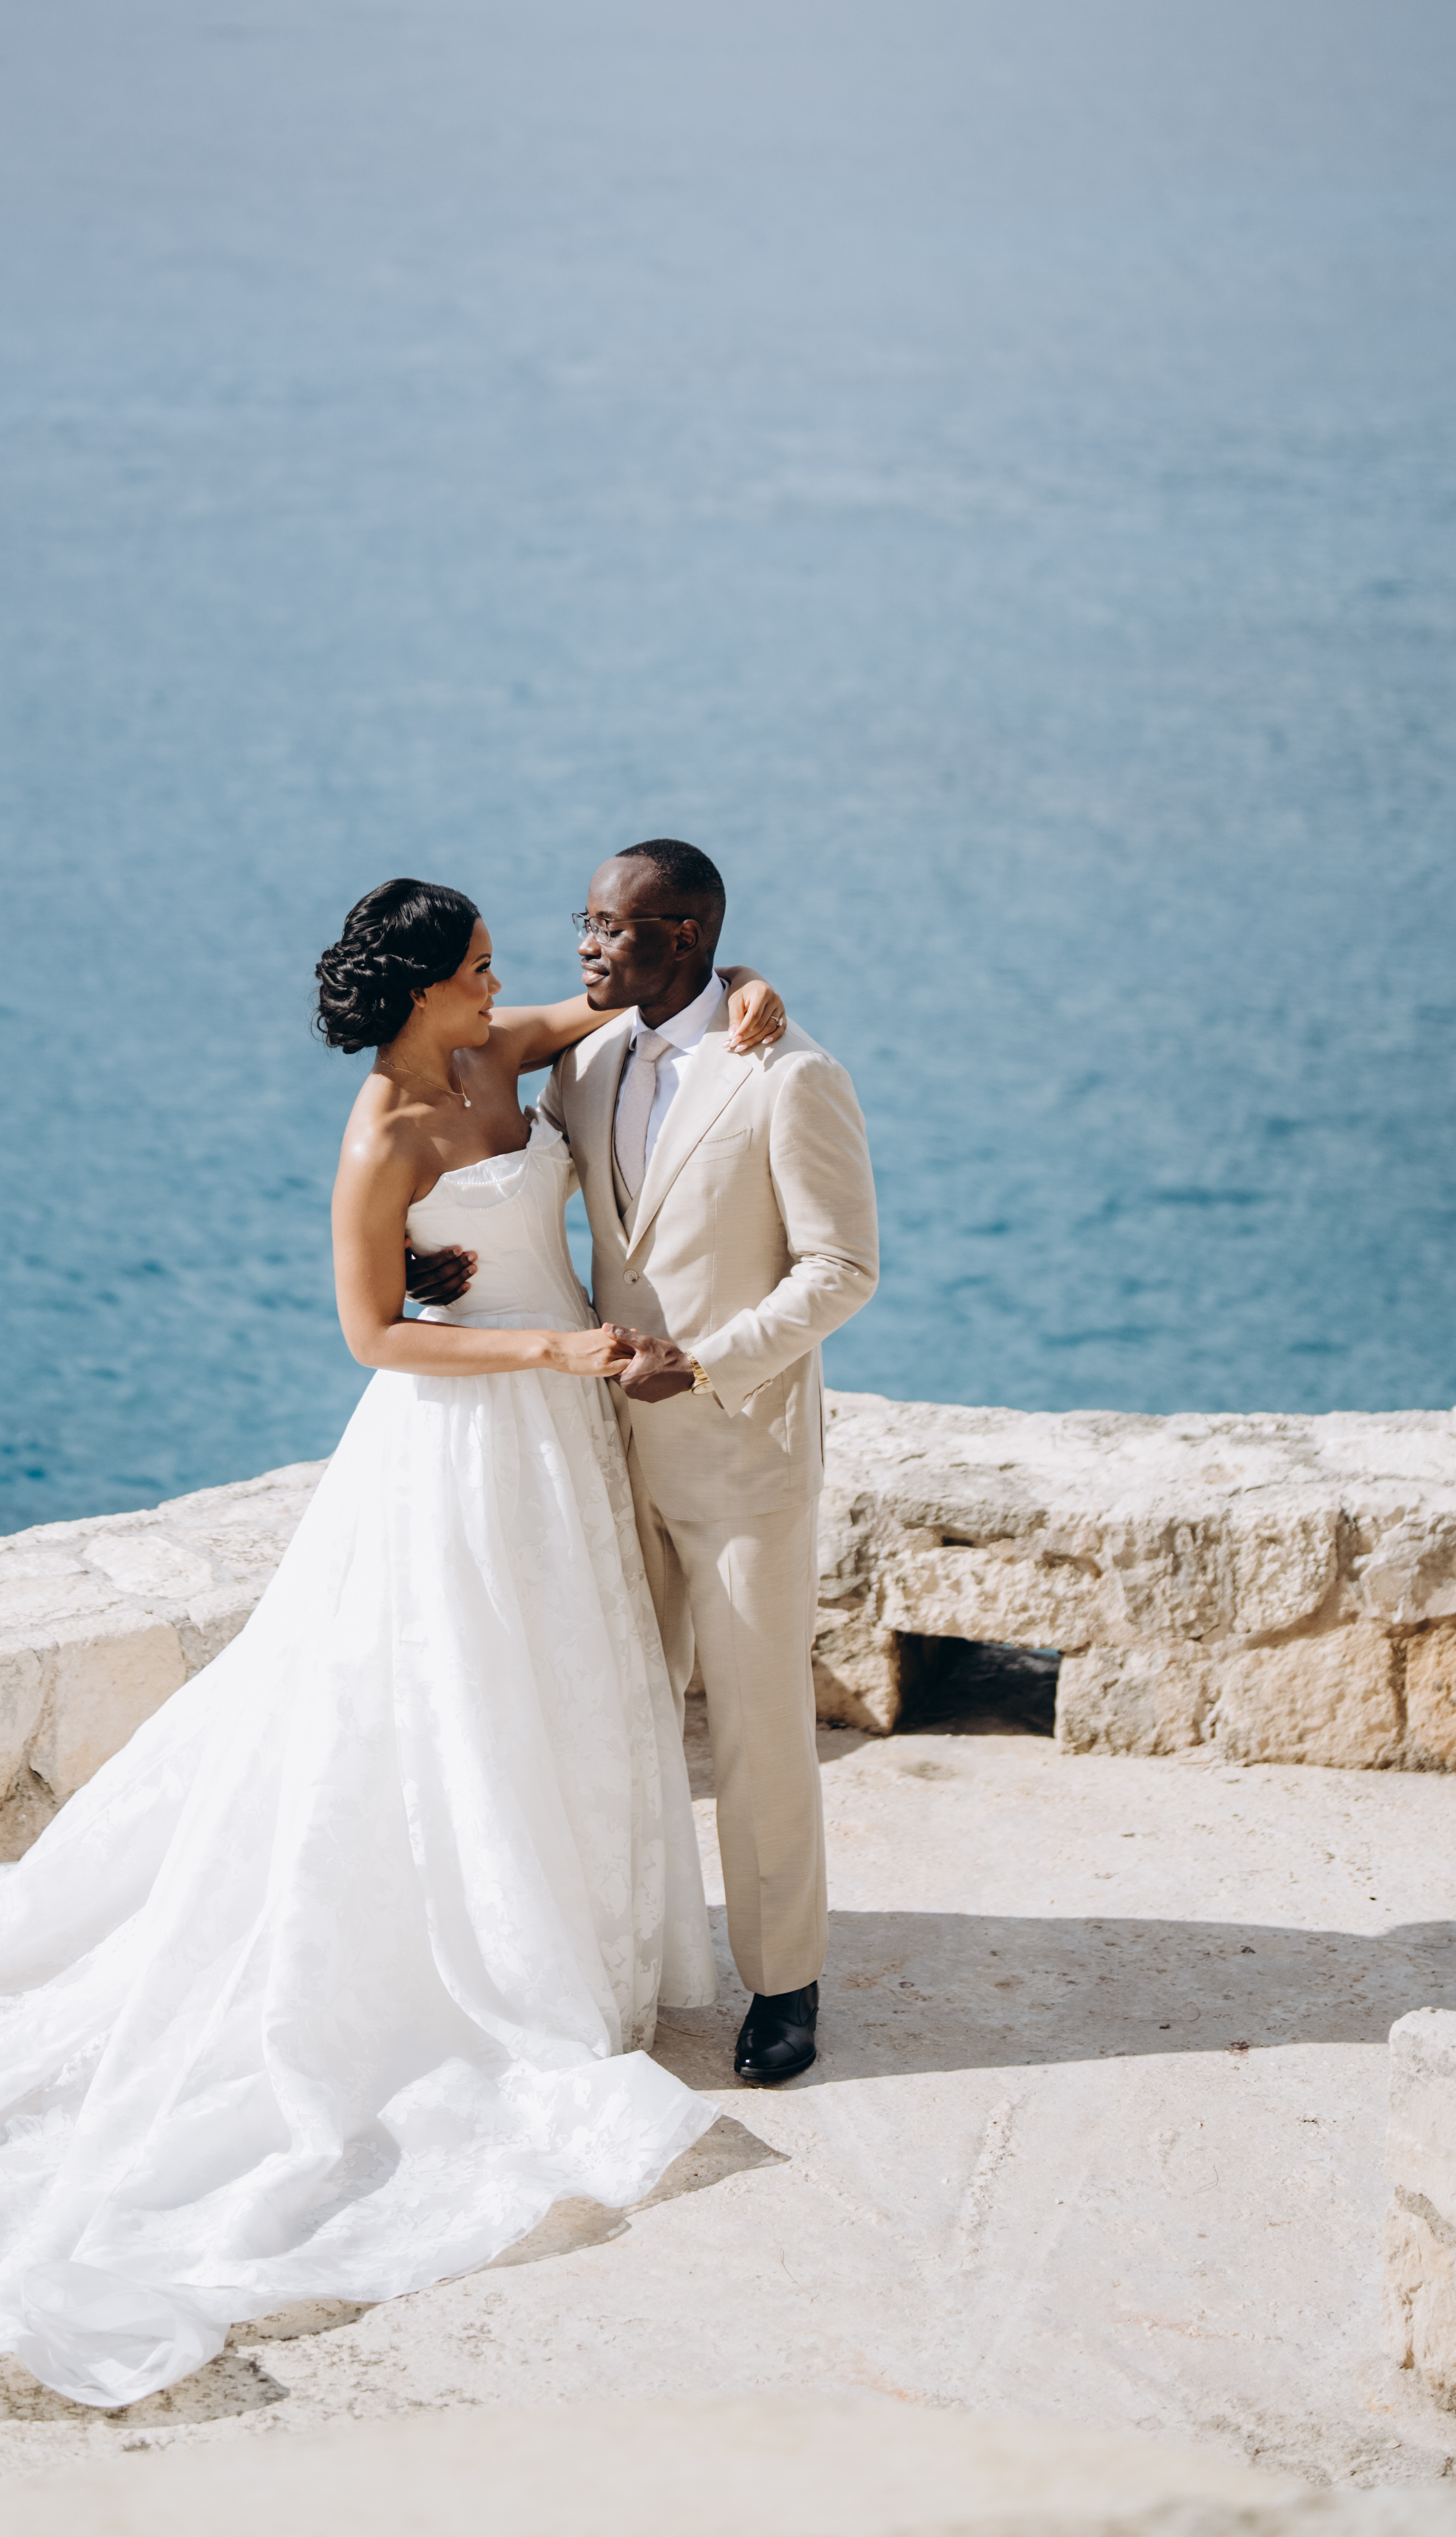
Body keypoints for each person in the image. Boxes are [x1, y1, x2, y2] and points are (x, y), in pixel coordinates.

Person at [0, 879, 790, 2412]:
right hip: (462, 1436)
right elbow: (373, 1334)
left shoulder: (503, 1053)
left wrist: (744, 984)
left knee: (549, 1690)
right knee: (448, 1704)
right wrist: (556, 1342)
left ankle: (562, 1930)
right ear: (423, 988)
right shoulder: (381, 1136)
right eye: (483, 967)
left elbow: (640, 998)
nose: (509, 984)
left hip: (554, 1447)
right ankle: (475, 1961)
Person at [535, 840, 879, 2089]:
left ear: (684, 936)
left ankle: (785, 1984)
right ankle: (625, 1958)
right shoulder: (584, 1060)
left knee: (756, 1730)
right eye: (584, 920)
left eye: (613, 926)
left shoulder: (790, 1075)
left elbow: (842, 1268)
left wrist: (710, 1361)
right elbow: (508, 1164)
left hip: (742, 1455)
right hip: (602, 1453)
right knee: (615, 1715)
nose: (586, 945)